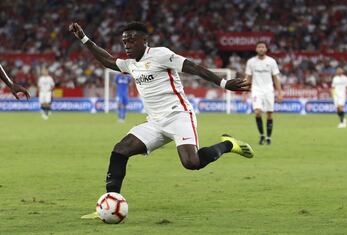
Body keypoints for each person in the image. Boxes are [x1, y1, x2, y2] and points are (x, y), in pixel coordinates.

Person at [69, 21, 254, 219]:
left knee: (192, 163)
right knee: (120, 150)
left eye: (132, 40)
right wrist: (83, 38)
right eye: (124, 41)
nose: (127, 45)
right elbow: (107, 60)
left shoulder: (161, 55)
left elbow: (193, 67)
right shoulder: (131, 65)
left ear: (144, 40)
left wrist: (224, 83)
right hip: (155, 122)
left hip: (179, 116)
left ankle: (228, 144)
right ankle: (109, 204)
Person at [244, 41, 283, 145]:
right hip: (256, 90)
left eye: (263, 47)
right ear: (256, 49)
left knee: (269, 114)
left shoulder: (271, 61)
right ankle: (262, 135)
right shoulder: (251, 62)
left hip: (269, 90)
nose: (261, 49)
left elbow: (276, 78)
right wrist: (244, 92)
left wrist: (280, 92)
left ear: (266, 49)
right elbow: (248, 78)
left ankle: (268, 137)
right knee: (257, 112)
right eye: (259, 47)